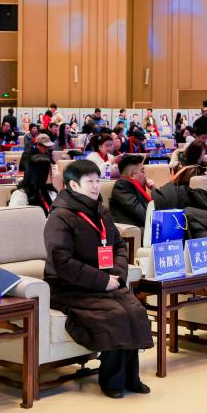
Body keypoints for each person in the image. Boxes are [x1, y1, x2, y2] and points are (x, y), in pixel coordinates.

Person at [44, 160, 152, 399]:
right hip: (69, 286)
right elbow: (62, 262)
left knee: (135, 309)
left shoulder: (101, 212)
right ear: (73, 185)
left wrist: (117, 274)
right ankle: (112, 381)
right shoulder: (60, 217)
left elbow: (119, 246)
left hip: (105, 280)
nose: (96, 186)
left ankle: (131, 377)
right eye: (89, 181)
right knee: (114, 314)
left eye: (97, 180)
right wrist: (102, 281)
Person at [108, 154, 154, 229]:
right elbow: (145, 215)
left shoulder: (135, 186)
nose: (145, 175)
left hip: (143, 228)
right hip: (133, 231)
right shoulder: (122, 186)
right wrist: (153, 190)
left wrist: (153, 188)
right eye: (142, 171)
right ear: (132, 175)